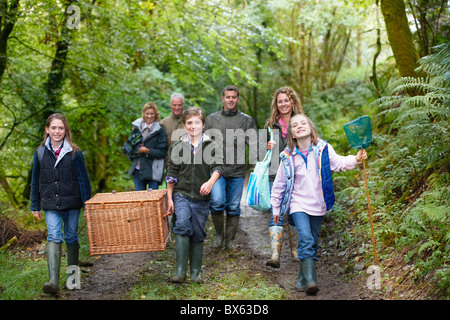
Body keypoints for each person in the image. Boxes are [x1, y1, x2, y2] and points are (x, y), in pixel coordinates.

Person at [270, 113, 367, 295]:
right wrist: (276, 208)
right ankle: (312, 282)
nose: (299, 126)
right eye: (295, 125)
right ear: (291, 134)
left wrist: (356, 158)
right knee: (305, 237)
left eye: (303, 123)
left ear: (310, 127)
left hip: (319, 203)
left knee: (312, 242)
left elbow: (339, 164)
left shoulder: (323, 148)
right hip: (298, 204)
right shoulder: (287, 156)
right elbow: (279, 185)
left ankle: (301, 279)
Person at [30, 113, 91, 295]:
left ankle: (73, 280)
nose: (57, 131)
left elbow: (83, 181)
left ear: (66, 131)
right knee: (54, 237)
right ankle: (53, 282)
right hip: (50, 203)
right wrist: (35, 205)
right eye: (54, 128)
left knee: (71, 237)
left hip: (72, 203)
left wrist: (87, 205)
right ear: (47, 130)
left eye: (61, 128)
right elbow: (35, 181)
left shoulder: (74, 153)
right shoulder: (40, 153)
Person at [166, 107, 223, 283]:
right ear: (184, 125)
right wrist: (169, 198)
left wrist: (210, 182)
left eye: (197, 122)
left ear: (203, 124)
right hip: (181, 194)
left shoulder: (211, 145)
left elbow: (218, 167)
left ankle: (196, 273)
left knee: (198, 231)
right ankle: (180, 272)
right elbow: (171, 175)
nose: (193, 126)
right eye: (189, 122)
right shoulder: (177, 147)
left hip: (201, 198)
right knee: (182, 225)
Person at [204, 85, 257, 250]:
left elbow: (254, 145)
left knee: (233, 207)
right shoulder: (211, 119)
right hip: (216, 171)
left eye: (234, 97)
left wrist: (255, 165)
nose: (231, 100)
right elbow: (203, 144)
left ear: (238, 99)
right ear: (223, 99)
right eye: (228, 97)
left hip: (237, 171)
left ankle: (230, 241)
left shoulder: (246, 120)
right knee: (217, 202)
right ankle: (219, 236)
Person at [264, 87, 304, 268]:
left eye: (286, 100)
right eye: (280, 101)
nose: (283, 104)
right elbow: (258, 153)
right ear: (276, 104)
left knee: (295, 213)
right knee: (277, 212)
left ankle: (295, 252)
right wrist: (266, 146)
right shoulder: (271, 125)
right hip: (275, 173)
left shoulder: (302, 123)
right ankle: (275, 255)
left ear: (293, 102)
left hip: (297, 175)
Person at [127, 102, 167, 191]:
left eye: (152, 114)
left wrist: (147, 150)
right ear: (144, 114)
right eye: (147, 113)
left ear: (155, 114)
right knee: (141, 200)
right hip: (138, 170)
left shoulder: (160, 130)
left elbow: (162, 152)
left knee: (153, 200)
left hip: (154, 171)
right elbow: (128, 148)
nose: (149, 116)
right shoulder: (136, 128)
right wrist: (136, 150)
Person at [160, 93, 187, 168]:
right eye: (174, 105)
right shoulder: (164, 123)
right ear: (170, 105)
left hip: (188, 165)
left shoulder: (190, 120)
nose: (177, 108)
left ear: (183, 105)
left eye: (179, 105)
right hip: (170, 165)